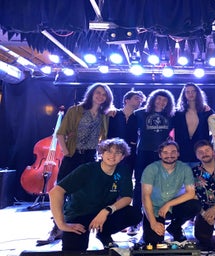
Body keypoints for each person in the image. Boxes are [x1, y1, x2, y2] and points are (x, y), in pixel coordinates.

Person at [37, 82, 114, 246]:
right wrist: (66, 153)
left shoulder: (104, 115)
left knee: (83, 193)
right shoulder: (75, 110)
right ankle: (57, 227)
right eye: (98, 93)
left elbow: (104, 137)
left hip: (90, 156)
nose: (100, 96)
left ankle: (80, 224)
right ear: (91, 94)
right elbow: (61, 133)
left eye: (104, 94)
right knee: (63, 192)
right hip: (73, 155)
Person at [49, 138, 143, 251]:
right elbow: (55, 192)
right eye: (109, 151)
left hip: (103, 214)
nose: (112, 155)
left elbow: (127, 197)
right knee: (73, 251)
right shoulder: (86, 170)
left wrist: (107, 210)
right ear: (101, 153)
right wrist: (61, 224)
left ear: (123, 156)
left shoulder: (122, 171)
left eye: (117, 152)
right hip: (79, 215)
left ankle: (103, 233)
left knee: (134, 214)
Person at [141, 140, 201, 245]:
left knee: (195, 205)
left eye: (173, 152)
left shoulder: (185, 169)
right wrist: (153, 223)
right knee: (153, 242)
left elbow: (191, 193)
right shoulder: (151, 169)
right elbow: (145, 197)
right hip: (155, 208)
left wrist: (168, 204)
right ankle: (149, 227)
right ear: (160, 155)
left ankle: (175, 227)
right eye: (165, 152)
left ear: (178, 153)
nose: (170, 155)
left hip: (175, 206)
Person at [108, 89, 146, 236]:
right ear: (127, 100)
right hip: (113, 156)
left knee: (131, 185)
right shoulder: (113, 114)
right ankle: (112, 218)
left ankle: (130, 220)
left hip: (132, 156)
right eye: (136, 99)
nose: (139, 102)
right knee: (113, 185)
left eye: (140, 100)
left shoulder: (138, 116)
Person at [133, 89, 175, 216]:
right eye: (159, 99)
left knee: (160, 185)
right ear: (153, 99)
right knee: (140, 184)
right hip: (143, 153)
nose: (161, 102)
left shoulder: (171, 116)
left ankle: (157, 213)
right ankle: (135, 216)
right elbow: (125, 114)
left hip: (162, 155)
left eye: (164, 100)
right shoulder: (140, 114)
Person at [174, 83, 214, 167]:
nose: (190, 94)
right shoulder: (178, 113)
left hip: (201, 152)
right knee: (184, 178)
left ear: (197, 93)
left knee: (201, 179)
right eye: (187, 92)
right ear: (184, 94)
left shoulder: (206, 111)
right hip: (182, 151)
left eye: (193, 91)